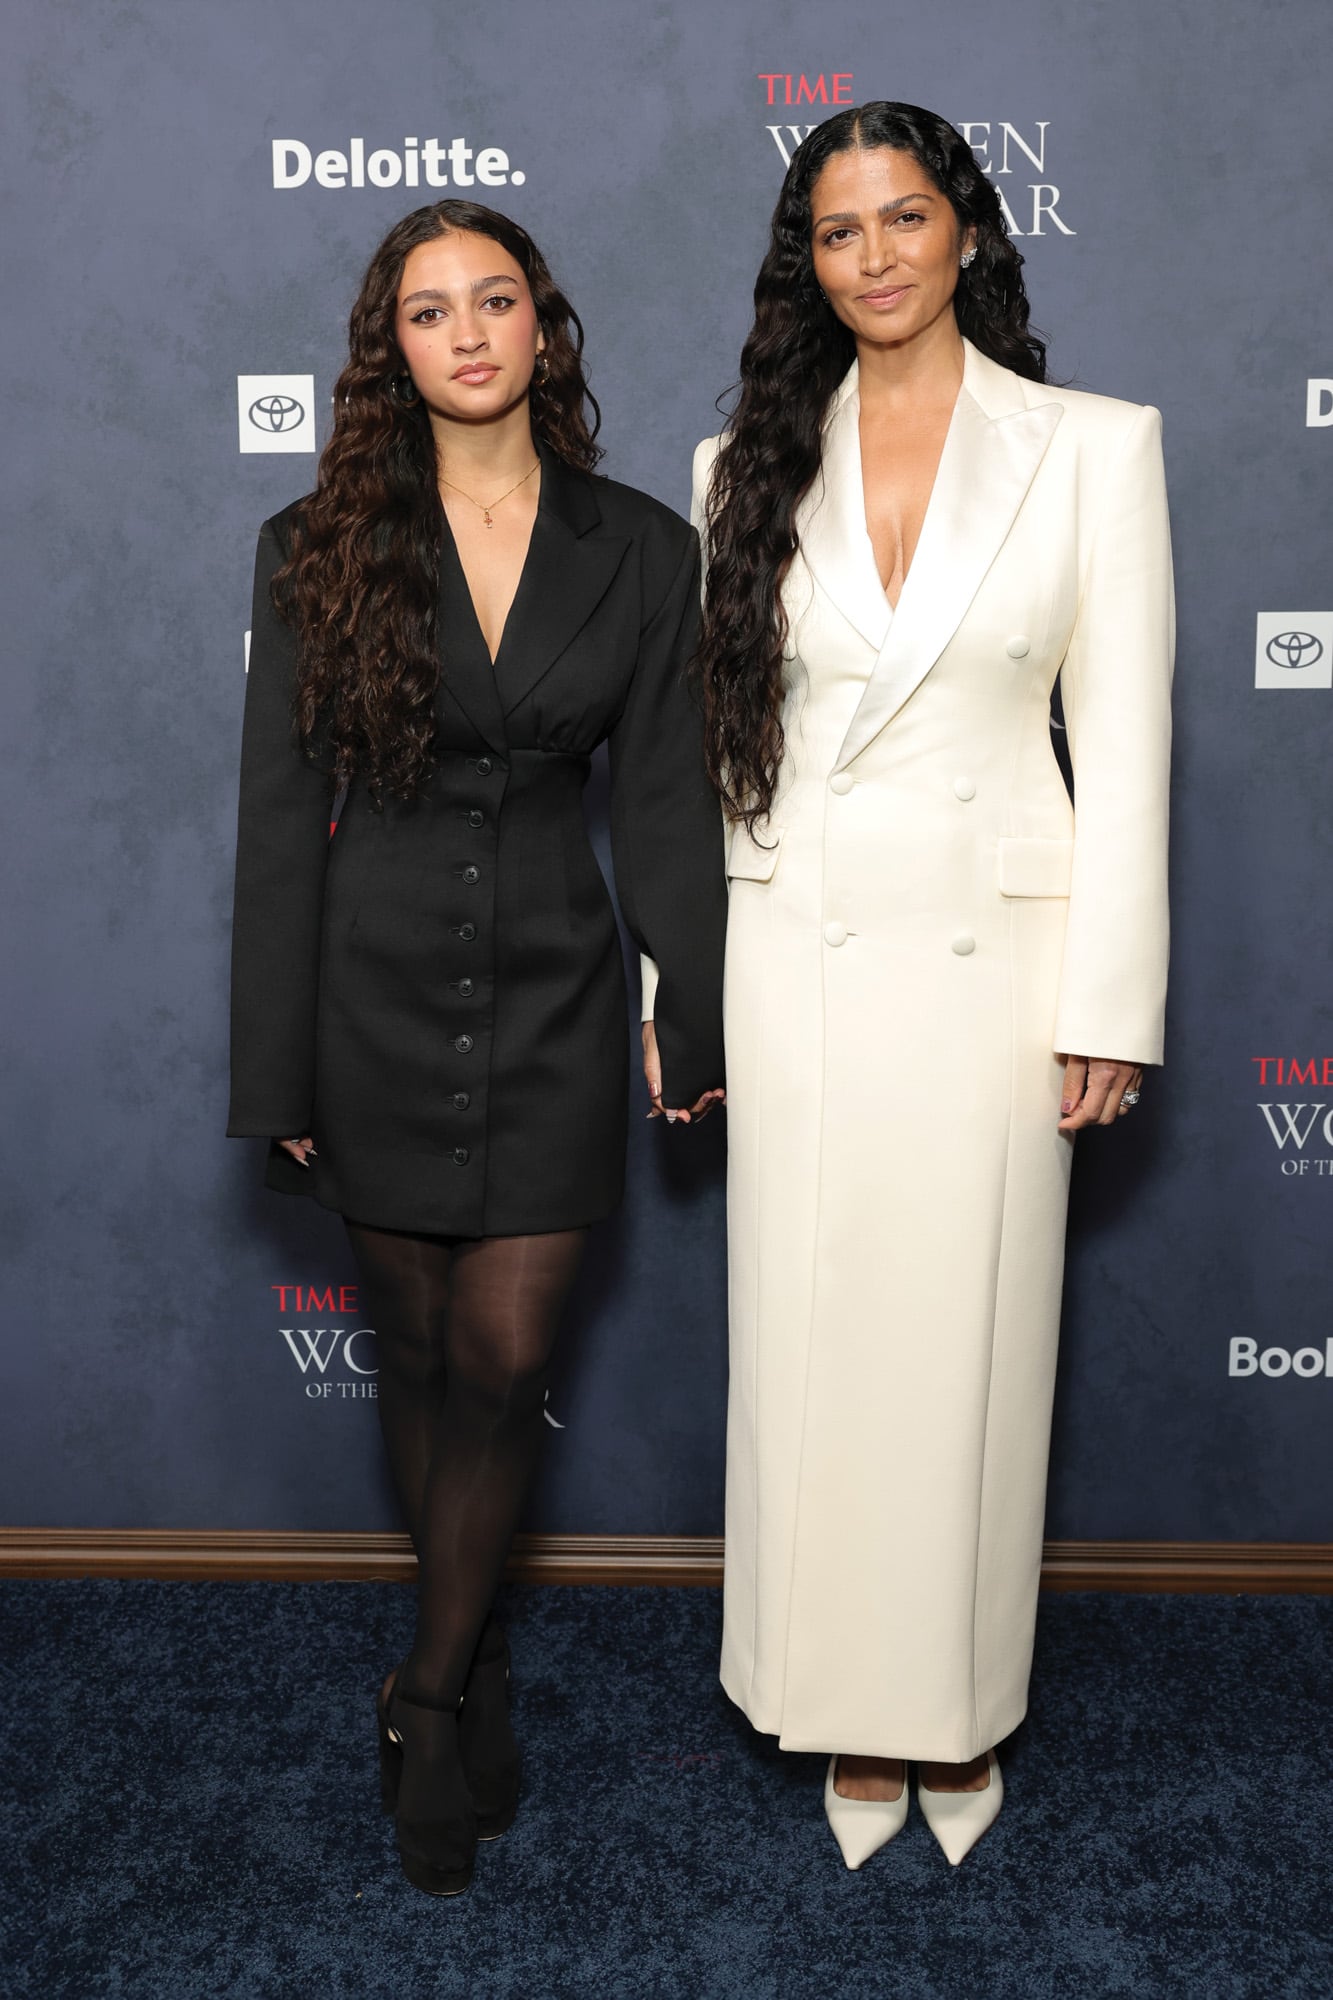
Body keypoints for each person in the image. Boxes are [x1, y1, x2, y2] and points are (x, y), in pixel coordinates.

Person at [691, 102, 1173, 1868]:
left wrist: (1107, 1003)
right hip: (802, 949)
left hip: (995, 960)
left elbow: (1125, 744)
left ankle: (952, 1708)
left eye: (906, 217)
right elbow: (726, 753)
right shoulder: (738, 461)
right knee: (813, 1348)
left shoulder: (1089, 448)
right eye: (838, 229)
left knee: (968, 1347)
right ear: (803, 261)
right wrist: (702, 965)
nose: (877, 255)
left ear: (966, 229)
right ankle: (832, 1699)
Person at [228, 200, 726, 1897]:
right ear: (395, 347)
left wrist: (693, 1002)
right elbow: (280, 820)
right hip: (365, 997)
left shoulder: (646, 548)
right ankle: (473, 1645)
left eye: (493, 299)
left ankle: (425, 1688)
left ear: (542, 327)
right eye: (428, 310)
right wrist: (273, 1069)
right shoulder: (316, 544)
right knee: (427, 1356)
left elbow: (663, 799)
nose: (466, 332)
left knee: (506, 1360)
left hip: (558, 1000)